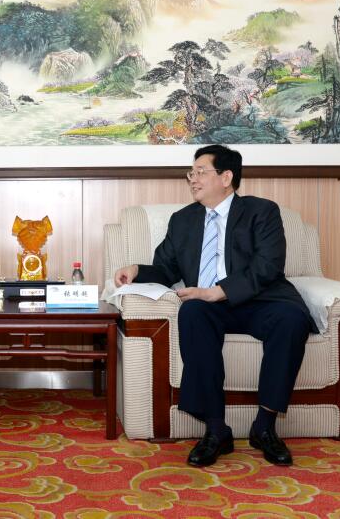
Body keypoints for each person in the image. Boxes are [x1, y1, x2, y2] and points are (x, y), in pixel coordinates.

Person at [114, 144, 316, 467]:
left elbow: (268, 266)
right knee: (192, 311)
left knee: (292, 319)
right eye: (191, 173)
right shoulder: (183, 220)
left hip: (261, 300)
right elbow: (167, 270)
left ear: (226, 177)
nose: (192, 179)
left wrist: (219, 291)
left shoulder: (262, 211)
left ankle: (264, 427)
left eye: (200, 172)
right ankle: (216, 429)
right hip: (209, 308)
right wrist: (138, 270)